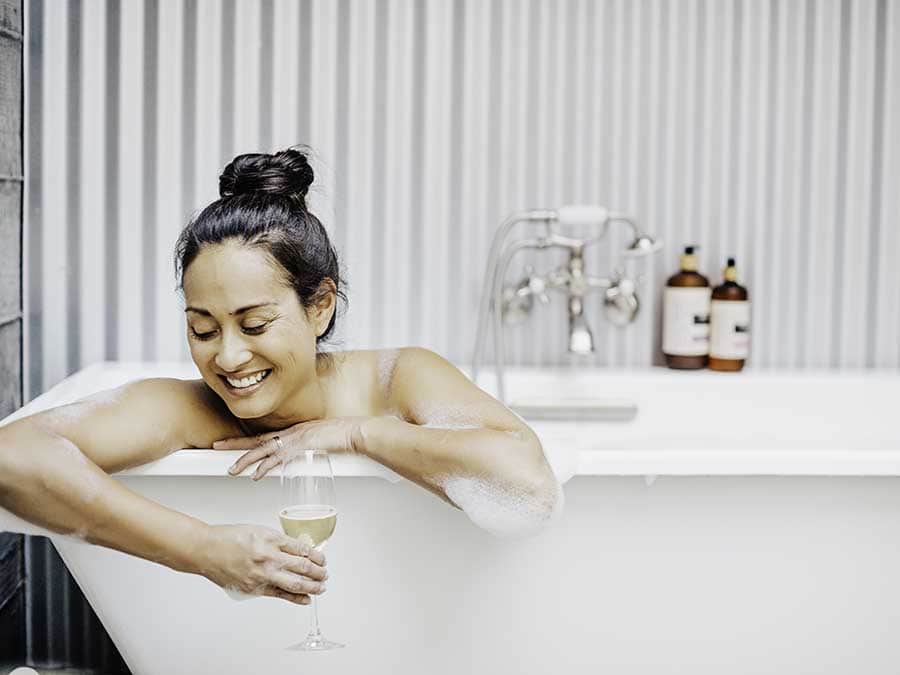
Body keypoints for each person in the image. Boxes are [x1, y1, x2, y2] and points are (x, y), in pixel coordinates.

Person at [0, 145, 563, 603]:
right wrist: (202, 549)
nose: (227, 357)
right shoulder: (193, 408)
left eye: (255, 323)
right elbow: (12, 457)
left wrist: (355, 433)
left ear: (319, 305)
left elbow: (528, 483)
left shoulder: (398, 378)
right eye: (202, 329)